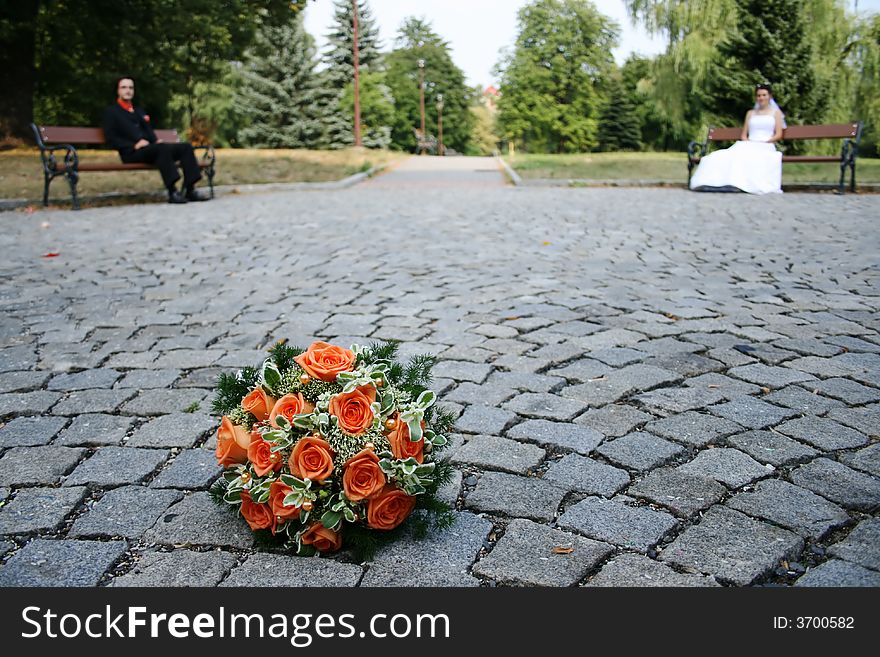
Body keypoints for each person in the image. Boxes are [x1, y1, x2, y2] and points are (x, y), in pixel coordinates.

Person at [103, 77, 209, 203]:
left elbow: (149, 131)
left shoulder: (138, 111)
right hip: (131, 152)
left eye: (131, 88)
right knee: (161, 149)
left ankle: (190, 189)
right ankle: (172, 191)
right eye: (124, 87)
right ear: (118, 91)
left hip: (151, 149)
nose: (128, 90)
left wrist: (155, 140)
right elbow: (111, 138)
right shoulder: (112, 112)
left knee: (185, 147)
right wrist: (133, 145)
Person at [690, 84, 784, 194]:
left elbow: (778, 134)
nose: (761, 98)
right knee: (723, 155)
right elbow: (744, 134)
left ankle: (742, 184)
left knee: (754, 157)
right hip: (749, 143)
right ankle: (715, 183)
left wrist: (766, 141)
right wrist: (748, 142)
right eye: (758, 95)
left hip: (766, 145)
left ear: (769, 96)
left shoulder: (776, 113)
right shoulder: (750, 113)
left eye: (764, 95)